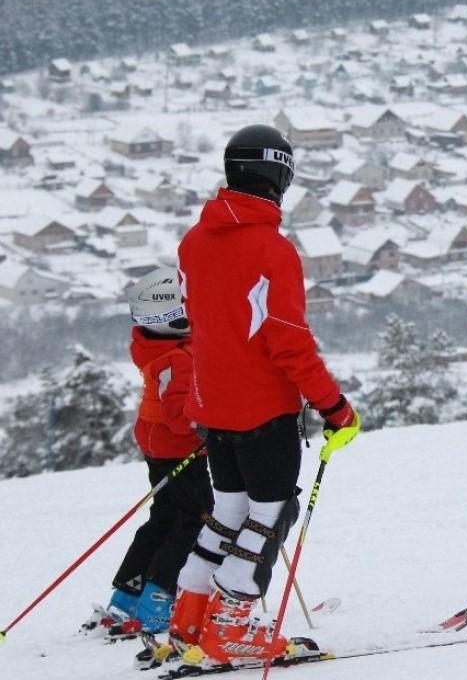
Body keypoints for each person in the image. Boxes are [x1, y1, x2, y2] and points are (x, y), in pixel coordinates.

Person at [166, 125, 361, 667]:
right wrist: (335, 408)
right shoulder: (273, 250)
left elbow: (199, 324)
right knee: (270, 514)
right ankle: (232, 626)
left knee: (228, 510)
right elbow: (290, 345)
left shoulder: (193, 242)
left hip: (212, 409)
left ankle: (191, 616)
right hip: (262, 411)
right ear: (280, 175)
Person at [81, 268, 212, 638]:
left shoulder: (154, 346)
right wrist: (211, 428)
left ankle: (126, 597)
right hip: (178, 446)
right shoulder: (179, 358)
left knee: (164, 517)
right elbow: (179, 415)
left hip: (155, 443)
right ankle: (158, 603)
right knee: (194, 519)